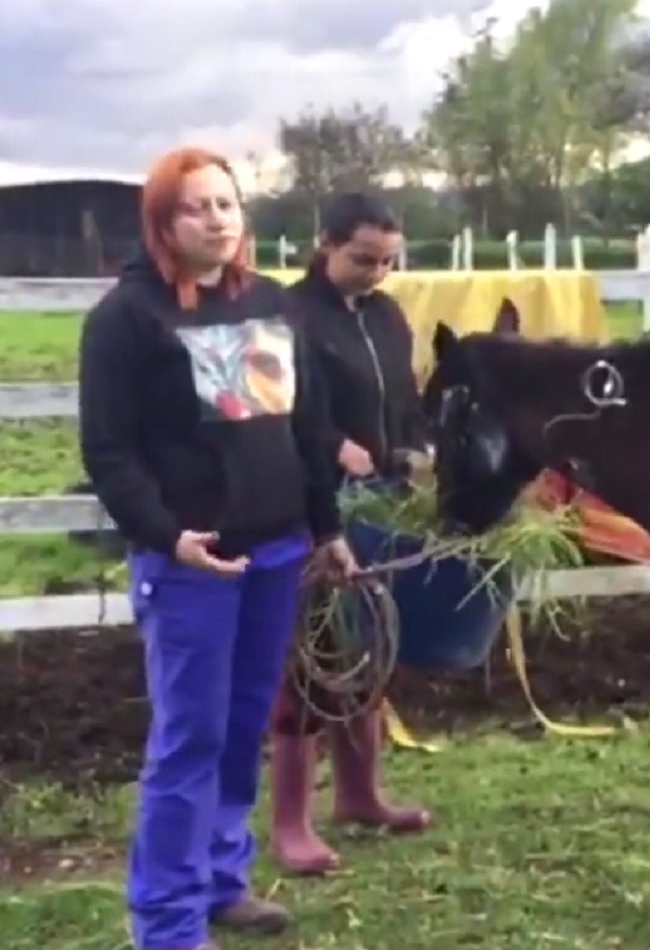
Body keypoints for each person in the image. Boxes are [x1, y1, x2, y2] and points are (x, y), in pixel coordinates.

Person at [77, 145, 359, 950]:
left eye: (228, 204)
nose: (218, 219)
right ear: (163, 220)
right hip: (192, 563)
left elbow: (306, 429)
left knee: (241, 730)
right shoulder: (128, 320)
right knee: (189, 736)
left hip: (275, 554)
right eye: (197, 206)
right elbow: (109, 451)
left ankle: (220, 882)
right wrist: (167, 536)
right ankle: (165, 920)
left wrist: (327, 526)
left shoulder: (272, 304)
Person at [267, 191, 432, 877]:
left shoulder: (389, 315)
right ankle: (291, 824)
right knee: (311, 661)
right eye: (364, 259)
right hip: (311, 496)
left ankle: (361, 797)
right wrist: (336, 446)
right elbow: (285, 408)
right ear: (325, 243)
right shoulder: (288, 315)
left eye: (389, 261)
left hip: (381, 501)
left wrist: (419, 446)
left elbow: (404, 399)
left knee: (366, 648)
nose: (377, 273)